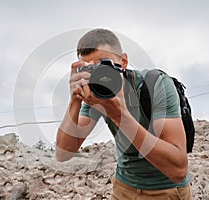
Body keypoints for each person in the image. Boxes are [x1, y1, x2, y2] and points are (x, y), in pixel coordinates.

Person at [56, 28, 192, 199]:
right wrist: (74, 101)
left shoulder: (156, 85)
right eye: (91, 69)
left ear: (124, 62)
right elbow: (63, 153)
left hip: (166, 189)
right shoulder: (95, 95)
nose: (100, 75)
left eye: (104, 64)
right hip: (123, 187)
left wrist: (119, 116)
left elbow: (178, 170)